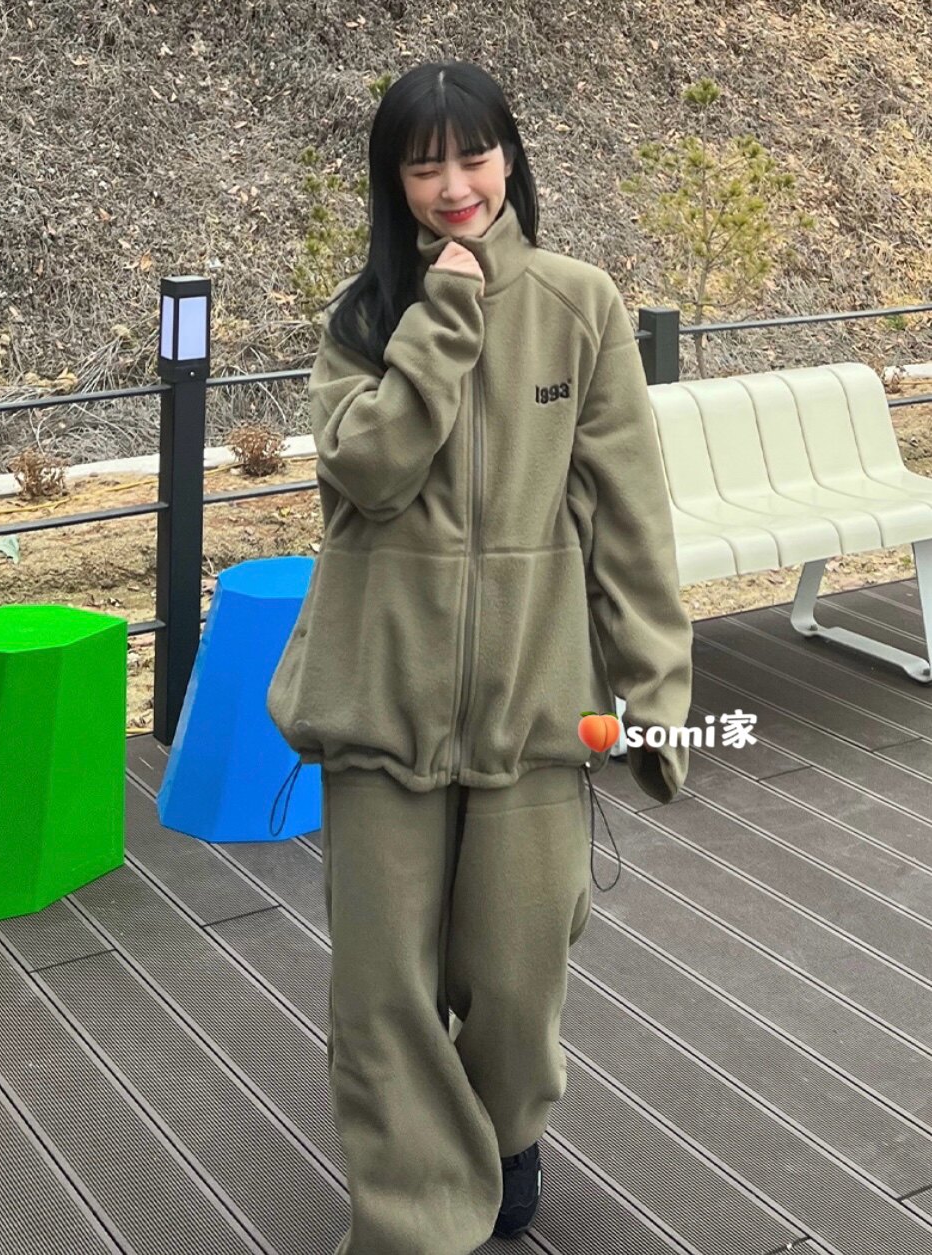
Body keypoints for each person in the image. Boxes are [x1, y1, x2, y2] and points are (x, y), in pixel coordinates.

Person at [267, 60, 693, 1255]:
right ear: (392, 180)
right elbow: (368, 473)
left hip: (534, 703)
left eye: (473, 154)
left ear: (510, 157)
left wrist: (654, 696)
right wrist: (442, 320)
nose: (453, 184)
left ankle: (504, 1135)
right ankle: (410, 1213)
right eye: (423, 164)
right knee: (382, 989)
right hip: (379, 699)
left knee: (514, 971)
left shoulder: (578, 303)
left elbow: (630, 518)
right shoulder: (363, 319)